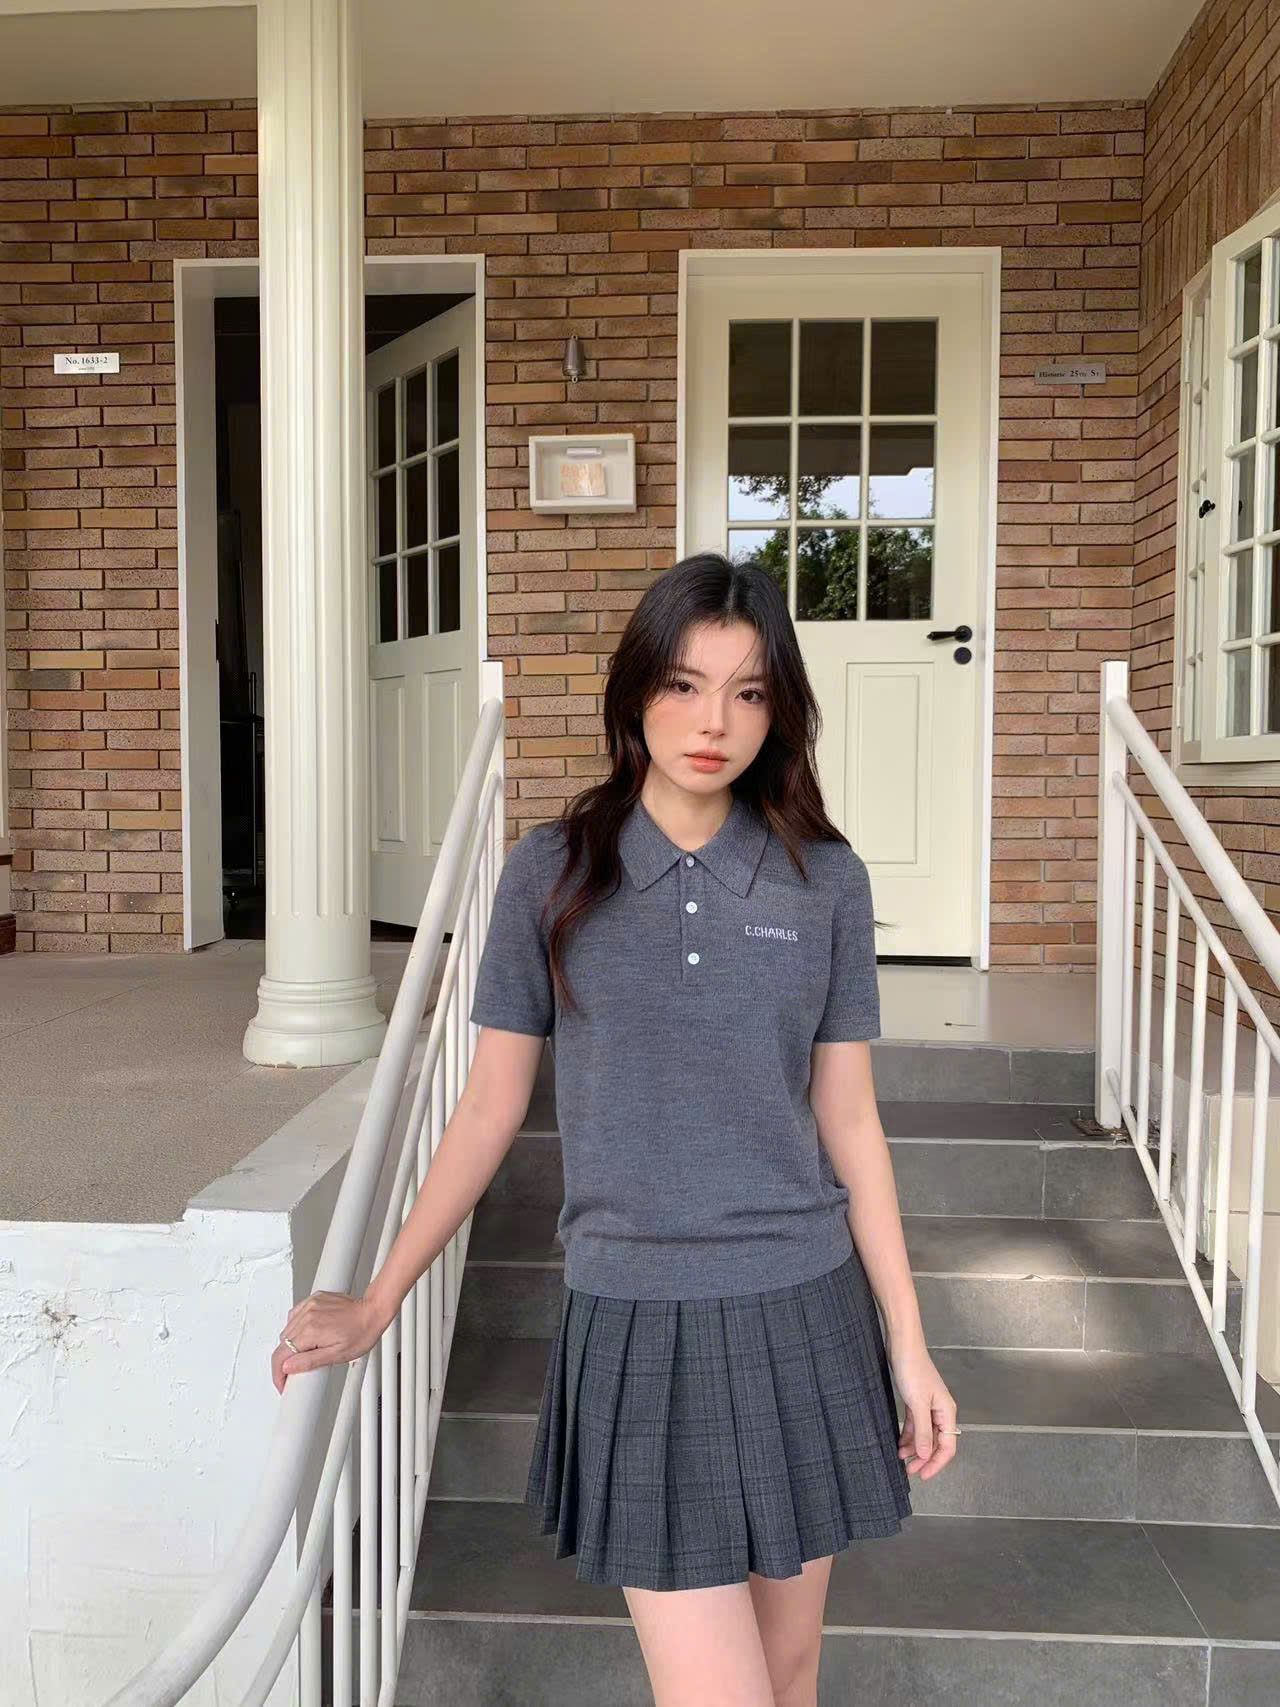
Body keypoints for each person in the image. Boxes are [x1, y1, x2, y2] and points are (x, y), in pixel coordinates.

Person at [272, 551, 959, 1706]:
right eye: (683, 684)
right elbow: (488, 1106)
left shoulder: (823, 880)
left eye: (747, 692)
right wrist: (380, 1297)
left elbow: (847, 1118)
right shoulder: (551, 871)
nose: (712, 722)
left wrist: (908, 1341)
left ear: (778, 712)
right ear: (635, 691)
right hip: (636, 1319)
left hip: (803, 1305)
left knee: (789, 1673)